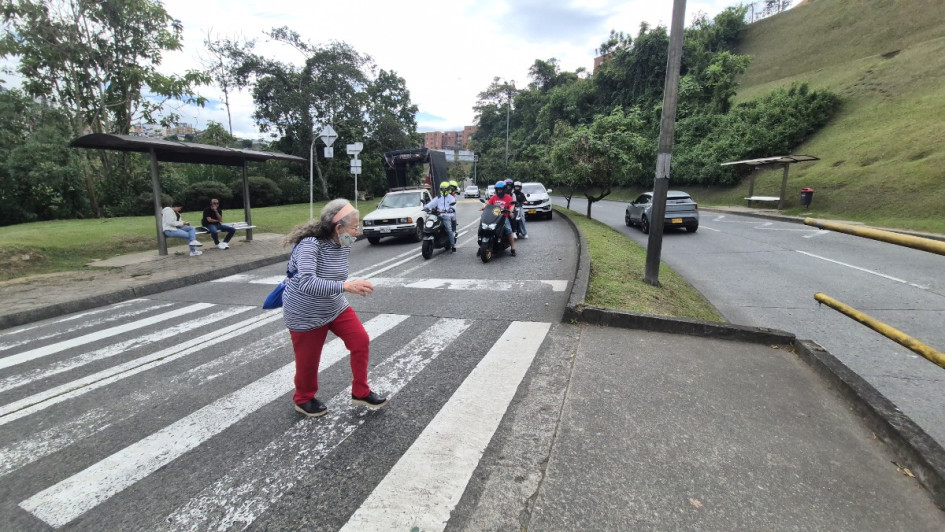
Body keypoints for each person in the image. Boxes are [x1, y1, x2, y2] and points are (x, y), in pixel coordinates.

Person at [282, 199, 387, 417]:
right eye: (354, 227)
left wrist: (345, 286)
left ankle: (360, 391)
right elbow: (306, 282)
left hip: (334, 305)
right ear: (338, 228)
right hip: (305, 312)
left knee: (360, 340)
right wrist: (346, 286)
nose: (357, 232)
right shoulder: (310, 245)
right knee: (308, 361)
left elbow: (335, 276)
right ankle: (303, 399)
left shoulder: (343, 243)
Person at [480, 180, 516, 256]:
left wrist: (511, 211)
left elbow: (512, 205)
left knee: (509, 231)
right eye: (498, 189)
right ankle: (481, 246)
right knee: (483, 227)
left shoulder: (508, 197)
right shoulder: (494, 197)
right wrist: (483, 207)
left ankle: (513, 248)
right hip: (493, 216)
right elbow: (488, 204)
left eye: (501, 189)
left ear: (504, 189)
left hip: (503, 217)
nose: (499, 191)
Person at [424, 181, 457, 252]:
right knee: (430, 224)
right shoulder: (438, 197)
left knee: (449, 230)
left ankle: (453, 245)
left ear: (448, 189)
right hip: (438, 215)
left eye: (445, 189)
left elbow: (453, 205)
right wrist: (426, 207)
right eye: (442, 189)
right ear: (440, 189)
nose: (444, 190)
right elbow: (432, 203)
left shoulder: (451, 198)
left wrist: (451, 209)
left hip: (446, 216)